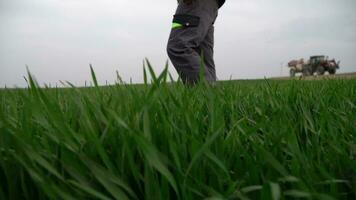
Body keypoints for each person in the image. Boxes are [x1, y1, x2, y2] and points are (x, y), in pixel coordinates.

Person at [167, 0, 225, 85]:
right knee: (202, 55)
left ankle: (207, 90)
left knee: (179, 47)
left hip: (196, 4)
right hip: (210, 5)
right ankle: (211, 95)